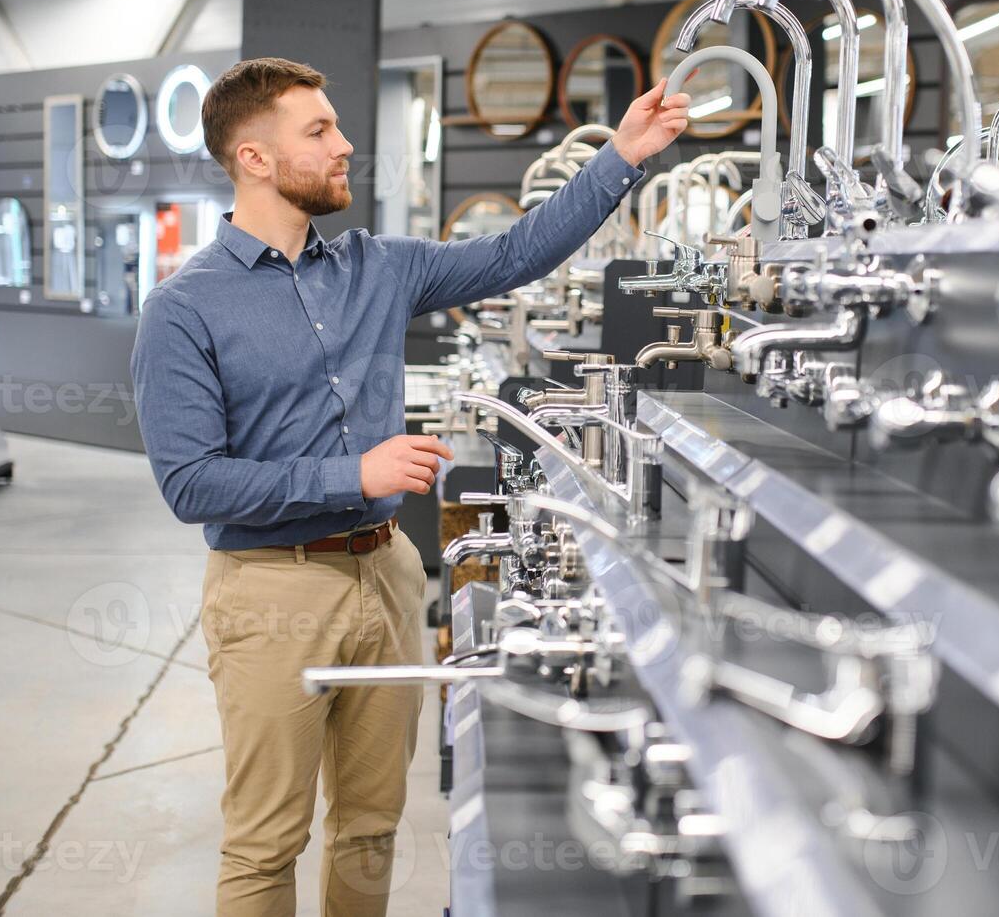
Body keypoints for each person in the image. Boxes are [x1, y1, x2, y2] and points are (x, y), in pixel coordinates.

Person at [130, 56, 690, 916]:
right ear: (253, 158)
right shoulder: (183, 310)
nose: (345, 144)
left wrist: (621, 155)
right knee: (266, 839)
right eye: (318, 131)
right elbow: (193, 484)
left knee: (370, 825)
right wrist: (353, 473)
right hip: (272, 590)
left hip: (388, 572)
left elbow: (516, 252)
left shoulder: (376, 266)